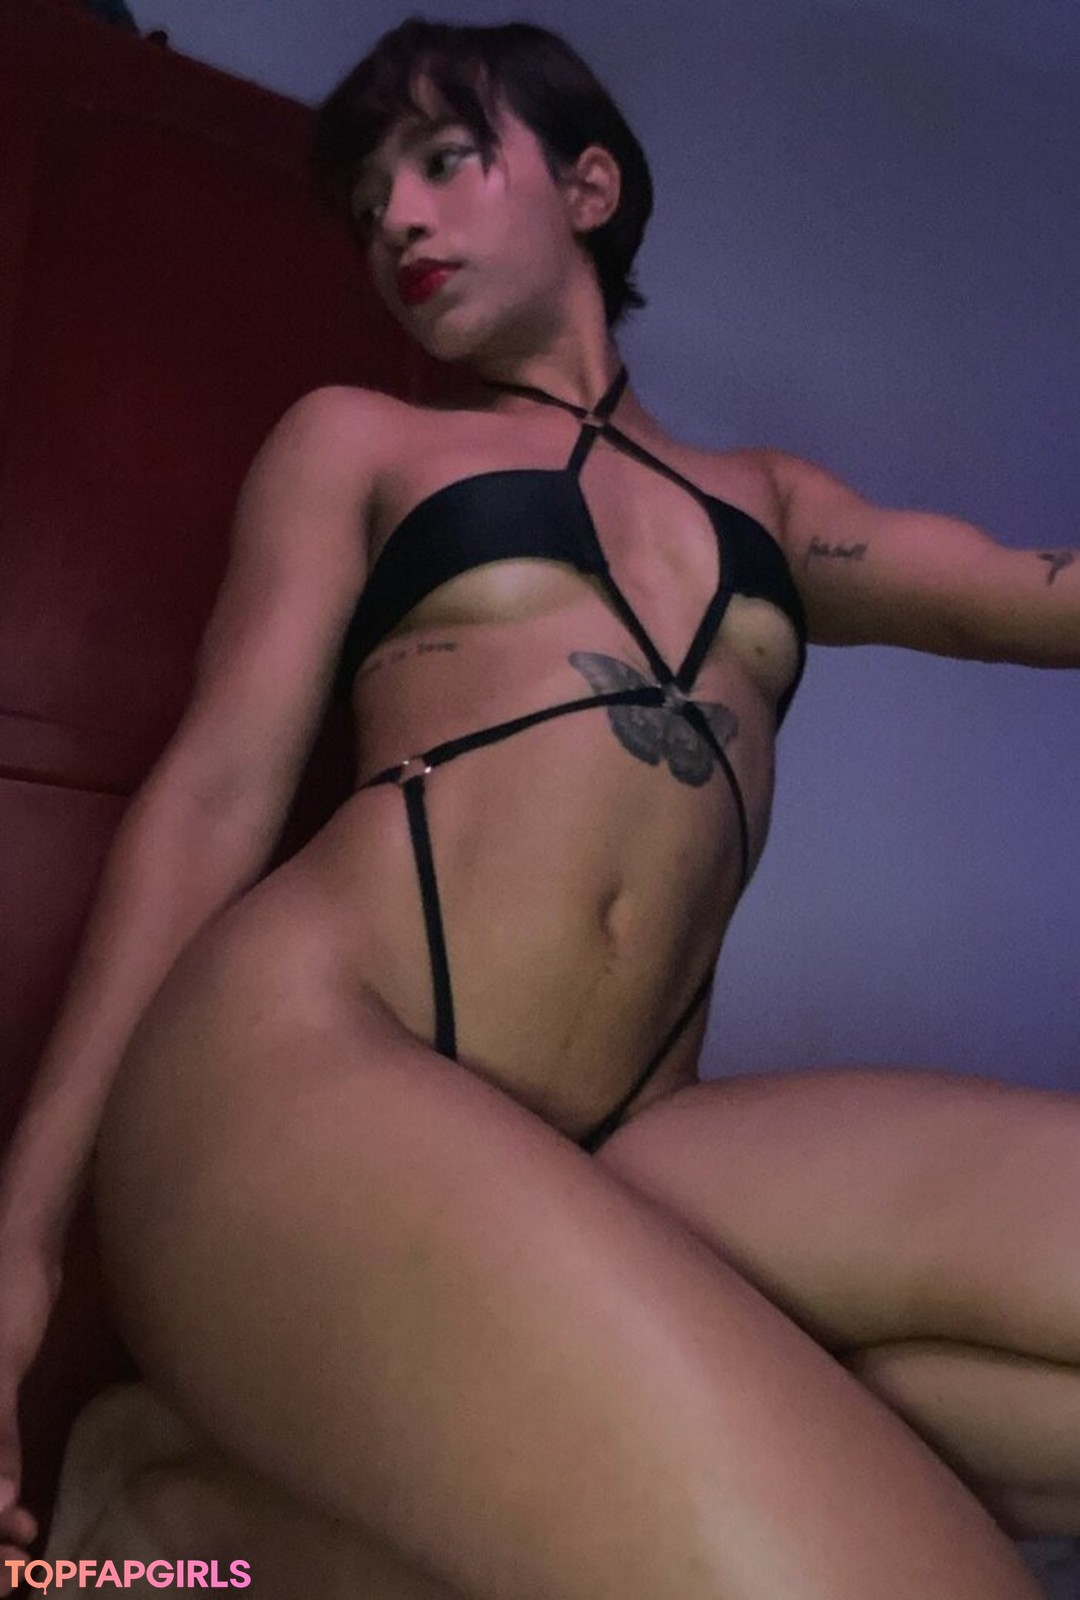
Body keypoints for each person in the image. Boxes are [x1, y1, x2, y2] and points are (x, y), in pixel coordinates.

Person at [0, 15, 1076, 1597]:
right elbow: (213, 799)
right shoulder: (361, 443)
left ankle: (187, 1508)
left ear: (587, 187)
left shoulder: (777, 506)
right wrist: (24, 1229)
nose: (397, 219)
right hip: (309, 1059)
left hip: (630, 1134)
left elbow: (1022, 592)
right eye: (370, 200)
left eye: (443, 159)